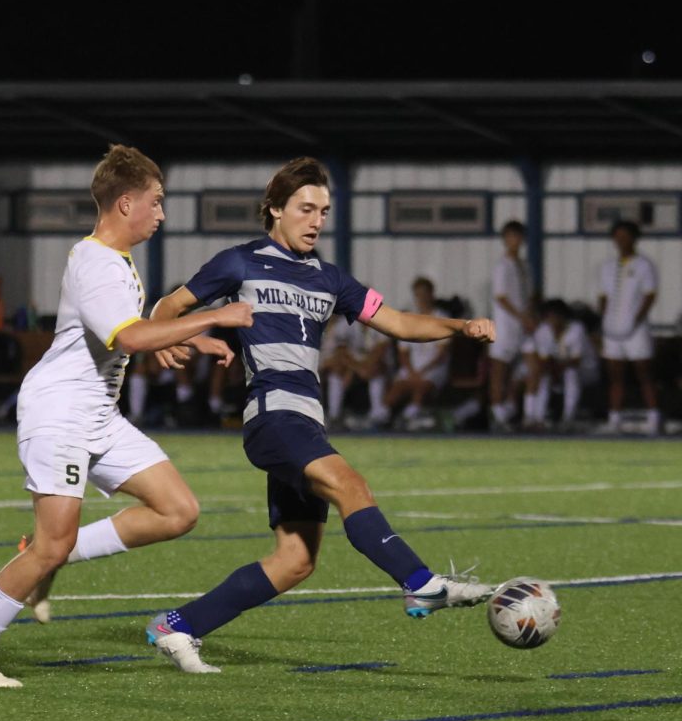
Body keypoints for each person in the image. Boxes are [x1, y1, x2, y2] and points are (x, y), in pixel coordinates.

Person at [144, 157, 497, 673]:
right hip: (271, 417)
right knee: (350, 483)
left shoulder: (330, 279)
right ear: (275, 210)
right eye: (306, 209)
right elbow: (164, 311)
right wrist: (194, 338)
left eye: (324, 212)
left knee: (295, 562)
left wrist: (460, 325)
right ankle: (421, 585)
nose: (316, 221)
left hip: (304, 422)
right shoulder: (239, 262)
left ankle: (177, 626)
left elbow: (396, 321)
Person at [0, 145, 253, 688]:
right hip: (59, 413)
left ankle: (44, 551)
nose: (162, 214)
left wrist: (190, 338)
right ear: (126, 202)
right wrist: (217, 316)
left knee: (177, 510)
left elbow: (128, 334)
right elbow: (130, 334)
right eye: (156, 203)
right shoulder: (96, 261)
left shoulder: (115, 263)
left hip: (97, 416)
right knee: (52, 545)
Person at [597, 220, 659, 435]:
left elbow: (650, 295)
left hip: (636, 329)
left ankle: (653, 416)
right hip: (612, 329)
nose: (621, 241)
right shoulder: (607, 267)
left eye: (625, 236)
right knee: (615, 375)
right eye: (618, 236)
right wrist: (604, 320)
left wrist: (636, 320)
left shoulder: (644, 265)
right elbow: (603, 296)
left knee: (644, 373)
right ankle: (614, 418)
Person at [384, 276, 451, 427]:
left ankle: (410, 416)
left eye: (425, 293)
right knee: (398, 388)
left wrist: (422, 372)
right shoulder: (409, 318)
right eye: (418, 294)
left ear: (432, 294)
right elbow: (403, 352)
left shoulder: (442, 318)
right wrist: (412, 371)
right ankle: (383, 416)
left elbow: (442, 353)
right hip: (412, 368)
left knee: (421, 386)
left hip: (433, 369)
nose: (422, 298)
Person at [488, 220, 533, 431]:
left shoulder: (524, 266)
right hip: (505, 326)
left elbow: (529, 295)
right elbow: (501, 297)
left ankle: (513, 409)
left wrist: (529, 317)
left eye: (518, 236)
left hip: (522, 328)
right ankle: (498, 412)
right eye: (511, 237)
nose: (515, 241)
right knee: (500, 370)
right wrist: (521, 316)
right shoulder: (502, 266)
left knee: (523, 369)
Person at [527, 299, 598, 429]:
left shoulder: (577, 329)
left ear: (563, 316)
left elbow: (576, 361)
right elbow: (545, 360)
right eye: (549, 316)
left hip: (585, 370)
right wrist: (554, 372)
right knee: (544, 377)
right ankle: (537, 419)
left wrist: (557, 370)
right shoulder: (543, 331)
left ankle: (568, 418)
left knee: (571, 374)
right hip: (558, 369)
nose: (552, 320)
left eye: (555, 315)